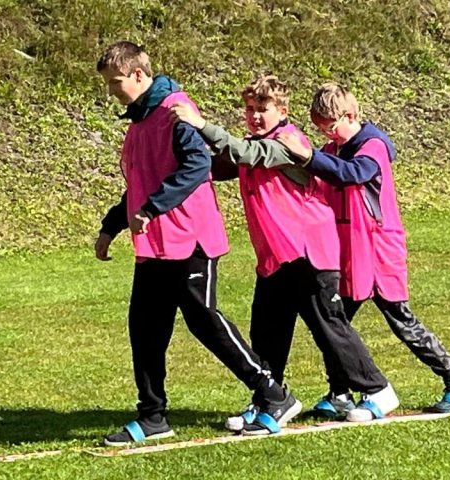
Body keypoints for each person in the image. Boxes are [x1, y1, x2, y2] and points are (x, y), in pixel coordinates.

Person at [94, 42, 301, 444]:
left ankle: (273, 393)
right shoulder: (139, 121)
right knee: (144, 327)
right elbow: (142, 181)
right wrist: (112, 225)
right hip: (155, 245)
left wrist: (152, 208)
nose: (112, 90)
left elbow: (197, 164)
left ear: (138, 75)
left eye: (116, 82)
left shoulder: (175, 110)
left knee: (204, 320)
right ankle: (153, 416)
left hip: (190, 238)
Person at [169, 75, 399, 431]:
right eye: (249, 109)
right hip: (276, 258)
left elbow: (245, 154)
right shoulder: (256, 144)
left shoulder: (287, 143)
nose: (254, 116)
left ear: (282, 111)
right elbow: (221, 162)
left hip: (308, 253)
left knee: (328, 327)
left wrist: (200, 124)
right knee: (266, 330)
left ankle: (378, 391)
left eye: (263, 109)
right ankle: (270, 399)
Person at [269, 82, 450, 415]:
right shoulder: (334, 148)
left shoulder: (373, 146)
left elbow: (352, 174)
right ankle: (339, 393)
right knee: (335, 324)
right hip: (348, 251)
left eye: (331, 127)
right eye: (321, 129)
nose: (327, 135)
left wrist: (308, 157)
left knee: (401, 320)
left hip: (379, 251)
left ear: (350, 116)